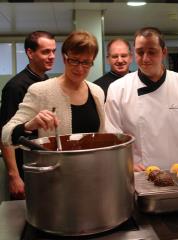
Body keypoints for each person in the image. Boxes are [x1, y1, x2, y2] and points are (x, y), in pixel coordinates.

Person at [105, 27, 178, 171]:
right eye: (140, 52)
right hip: (141, 177)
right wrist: (127, 165)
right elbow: (113, 139)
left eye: (152, 52)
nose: (145, 58)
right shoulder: (118, 89)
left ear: (164, 52)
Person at [2, 31, 105, 158]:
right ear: (64, 58)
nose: (80, 68)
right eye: (74, 61)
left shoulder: (97, 92)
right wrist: (29, 125)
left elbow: (102, 137)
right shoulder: (40, 91)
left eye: (86, 62)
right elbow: (5, 135)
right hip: (56, 173)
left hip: (92, 171)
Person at [0, 31, 56, 200]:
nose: (52, 56)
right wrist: (14, 176)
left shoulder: (45, 81)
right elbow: (4, 134)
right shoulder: (15, 87)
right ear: (30, 53)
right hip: (25, 166)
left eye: (53, 51)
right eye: (45, 52)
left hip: (42, 163)